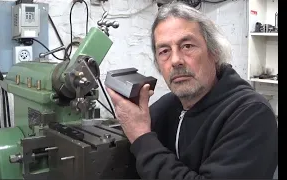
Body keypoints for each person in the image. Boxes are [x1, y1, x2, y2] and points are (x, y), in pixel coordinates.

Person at [105, 1, 278, 179]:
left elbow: (142, 139)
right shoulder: (167, 106)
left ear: (214, 52)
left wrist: (142, 137)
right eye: (164, 51)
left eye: (187, 46)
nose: (175, 60)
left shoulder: (251, 114)